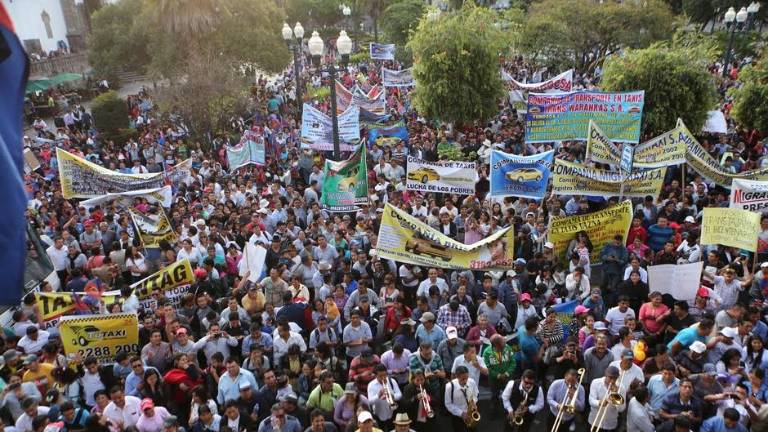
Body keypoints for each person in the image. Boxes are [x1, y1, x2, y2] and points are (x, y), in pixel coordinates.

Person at [587, 365, 626, 432]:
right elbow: (591, 400)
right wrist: (599, 402)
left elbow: (621, 409)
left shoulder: (621, 388)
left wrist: (615, 395)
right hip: (594, 421)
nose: (613, 381)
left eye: (615, 378)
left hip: (610, 424)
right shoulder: (596, 382)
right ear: (605, 374)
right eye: (610, 377)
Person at [443, 366, 479, 432]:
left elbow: (476, 394)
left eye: (467, 378)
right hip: (457, 416)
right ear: (457, 376)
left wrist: (474, 402)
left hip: (471, 413)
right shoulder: (449, 386)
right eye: (463, 379)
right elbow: (448, 404)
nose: (465, 381)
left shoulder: (472, 382)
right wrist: (461, 413)